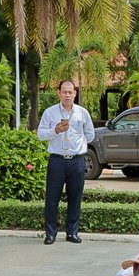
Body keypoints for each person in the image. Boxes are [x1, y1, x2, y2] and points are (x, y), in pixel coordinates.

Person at [37, 79, 96, 245]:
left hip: (77, 161)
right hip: (57, 160)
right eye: (64, 92)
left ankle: (72, 232)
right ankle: (50, 233)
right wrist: (55, 130)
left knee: (75, 198)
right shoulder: (50, 112)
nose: (67, 95)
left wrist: (78, 142)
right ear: (59, 93)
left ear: (75, 93)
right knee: (52, 198)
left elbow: (90, 134)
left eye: (70, 92)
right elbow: (40, 134)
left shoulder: (82, 113)